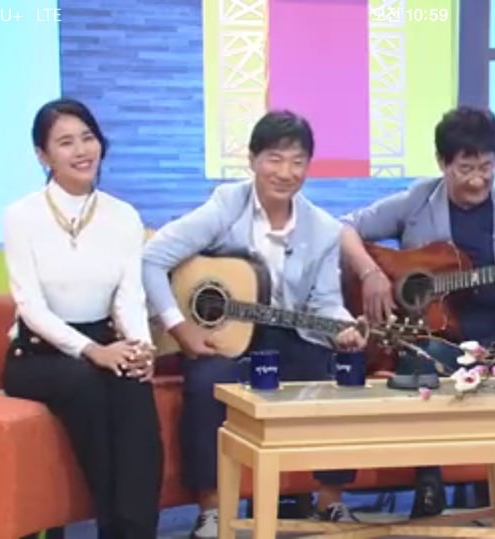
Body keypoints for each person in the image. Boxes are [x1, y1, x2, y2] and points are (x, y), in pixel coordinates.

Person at [142, 110, 367, 538]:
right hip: (223, 335)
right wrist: (179, 327)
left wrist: (343, 327)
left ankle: (329, 500)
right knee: (208, 382)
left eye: (297, 161)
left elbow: (325, 303)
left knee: (337, 376)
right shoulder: (227, 205)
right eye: (274, 159)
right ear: (252, 160)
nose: (285, 172)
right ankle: (212, 510)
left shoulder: (323, 228)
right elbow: (152, 260)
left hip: (288, 332)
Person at [339, 105, 495, 518]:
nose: (478, 179)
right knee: (418, 361)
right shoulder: (417, 200)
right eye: (465, 169)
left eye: (487, 167)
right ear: (443, 162)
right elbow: (345, 228)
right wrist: (371, 273)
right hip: (441, 337)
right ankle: (429, 483)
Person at [1, 98, 162, 539]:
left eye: (88, 138)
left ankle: (136, 531)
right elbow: (30, 306)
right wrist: (92, 351)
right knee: (84, 383)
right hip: (37, 354)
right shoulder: (21, 216)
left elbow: (129, 297)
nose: (81, 150)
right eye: (66, 142)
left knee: (133, 386)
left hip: (103, 342)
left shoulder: (123, 215)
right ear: (43, 155)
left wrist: (140, 347)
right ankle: (108, 521)